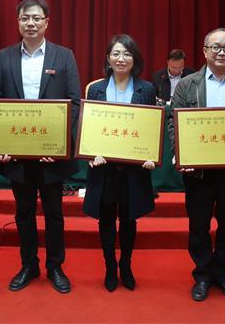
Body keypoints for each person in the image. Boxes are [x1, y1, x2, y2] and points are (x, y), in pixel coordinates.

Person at [0, 0, 81, 294]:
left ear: (46, 23)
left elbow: (74, 103)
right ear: (18, 22)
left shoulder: (64, 56)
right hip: (18, 153)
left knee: (54, 213)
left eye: (36, 18)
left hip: (51, 154)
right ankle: (29, 264)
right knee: (24, 213)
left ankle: (55, 266)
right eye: (25, 18)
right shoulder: (4, 57)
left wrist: (59, 144)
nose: (30, 23)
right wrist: (2, 142)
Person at [168, 28, 225, 303]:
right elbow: (174, 122)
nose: (222, 52)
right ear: (205, 51)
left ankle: (224, 276)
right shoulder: (187, 85)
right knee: (198, 226)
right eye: (216, 47)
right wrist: (180, 151)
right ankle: (203, 276)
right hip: (198, 172)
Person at [83, 34, 156, 292]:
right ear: (108, 58)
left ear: (134, 59)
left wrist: (150, 154)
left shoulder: (147, 89)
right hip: (104, 169)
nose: (121, 58)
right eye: (116, 53)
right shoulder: (96, 89)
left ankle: (126, 265)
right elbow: (89, 128)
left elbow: (150, 128)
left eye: (126, 54)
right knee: (105, 221)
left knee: (128, 220)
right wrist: (91, 153)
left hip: (133, 170)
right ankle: (110, 267)